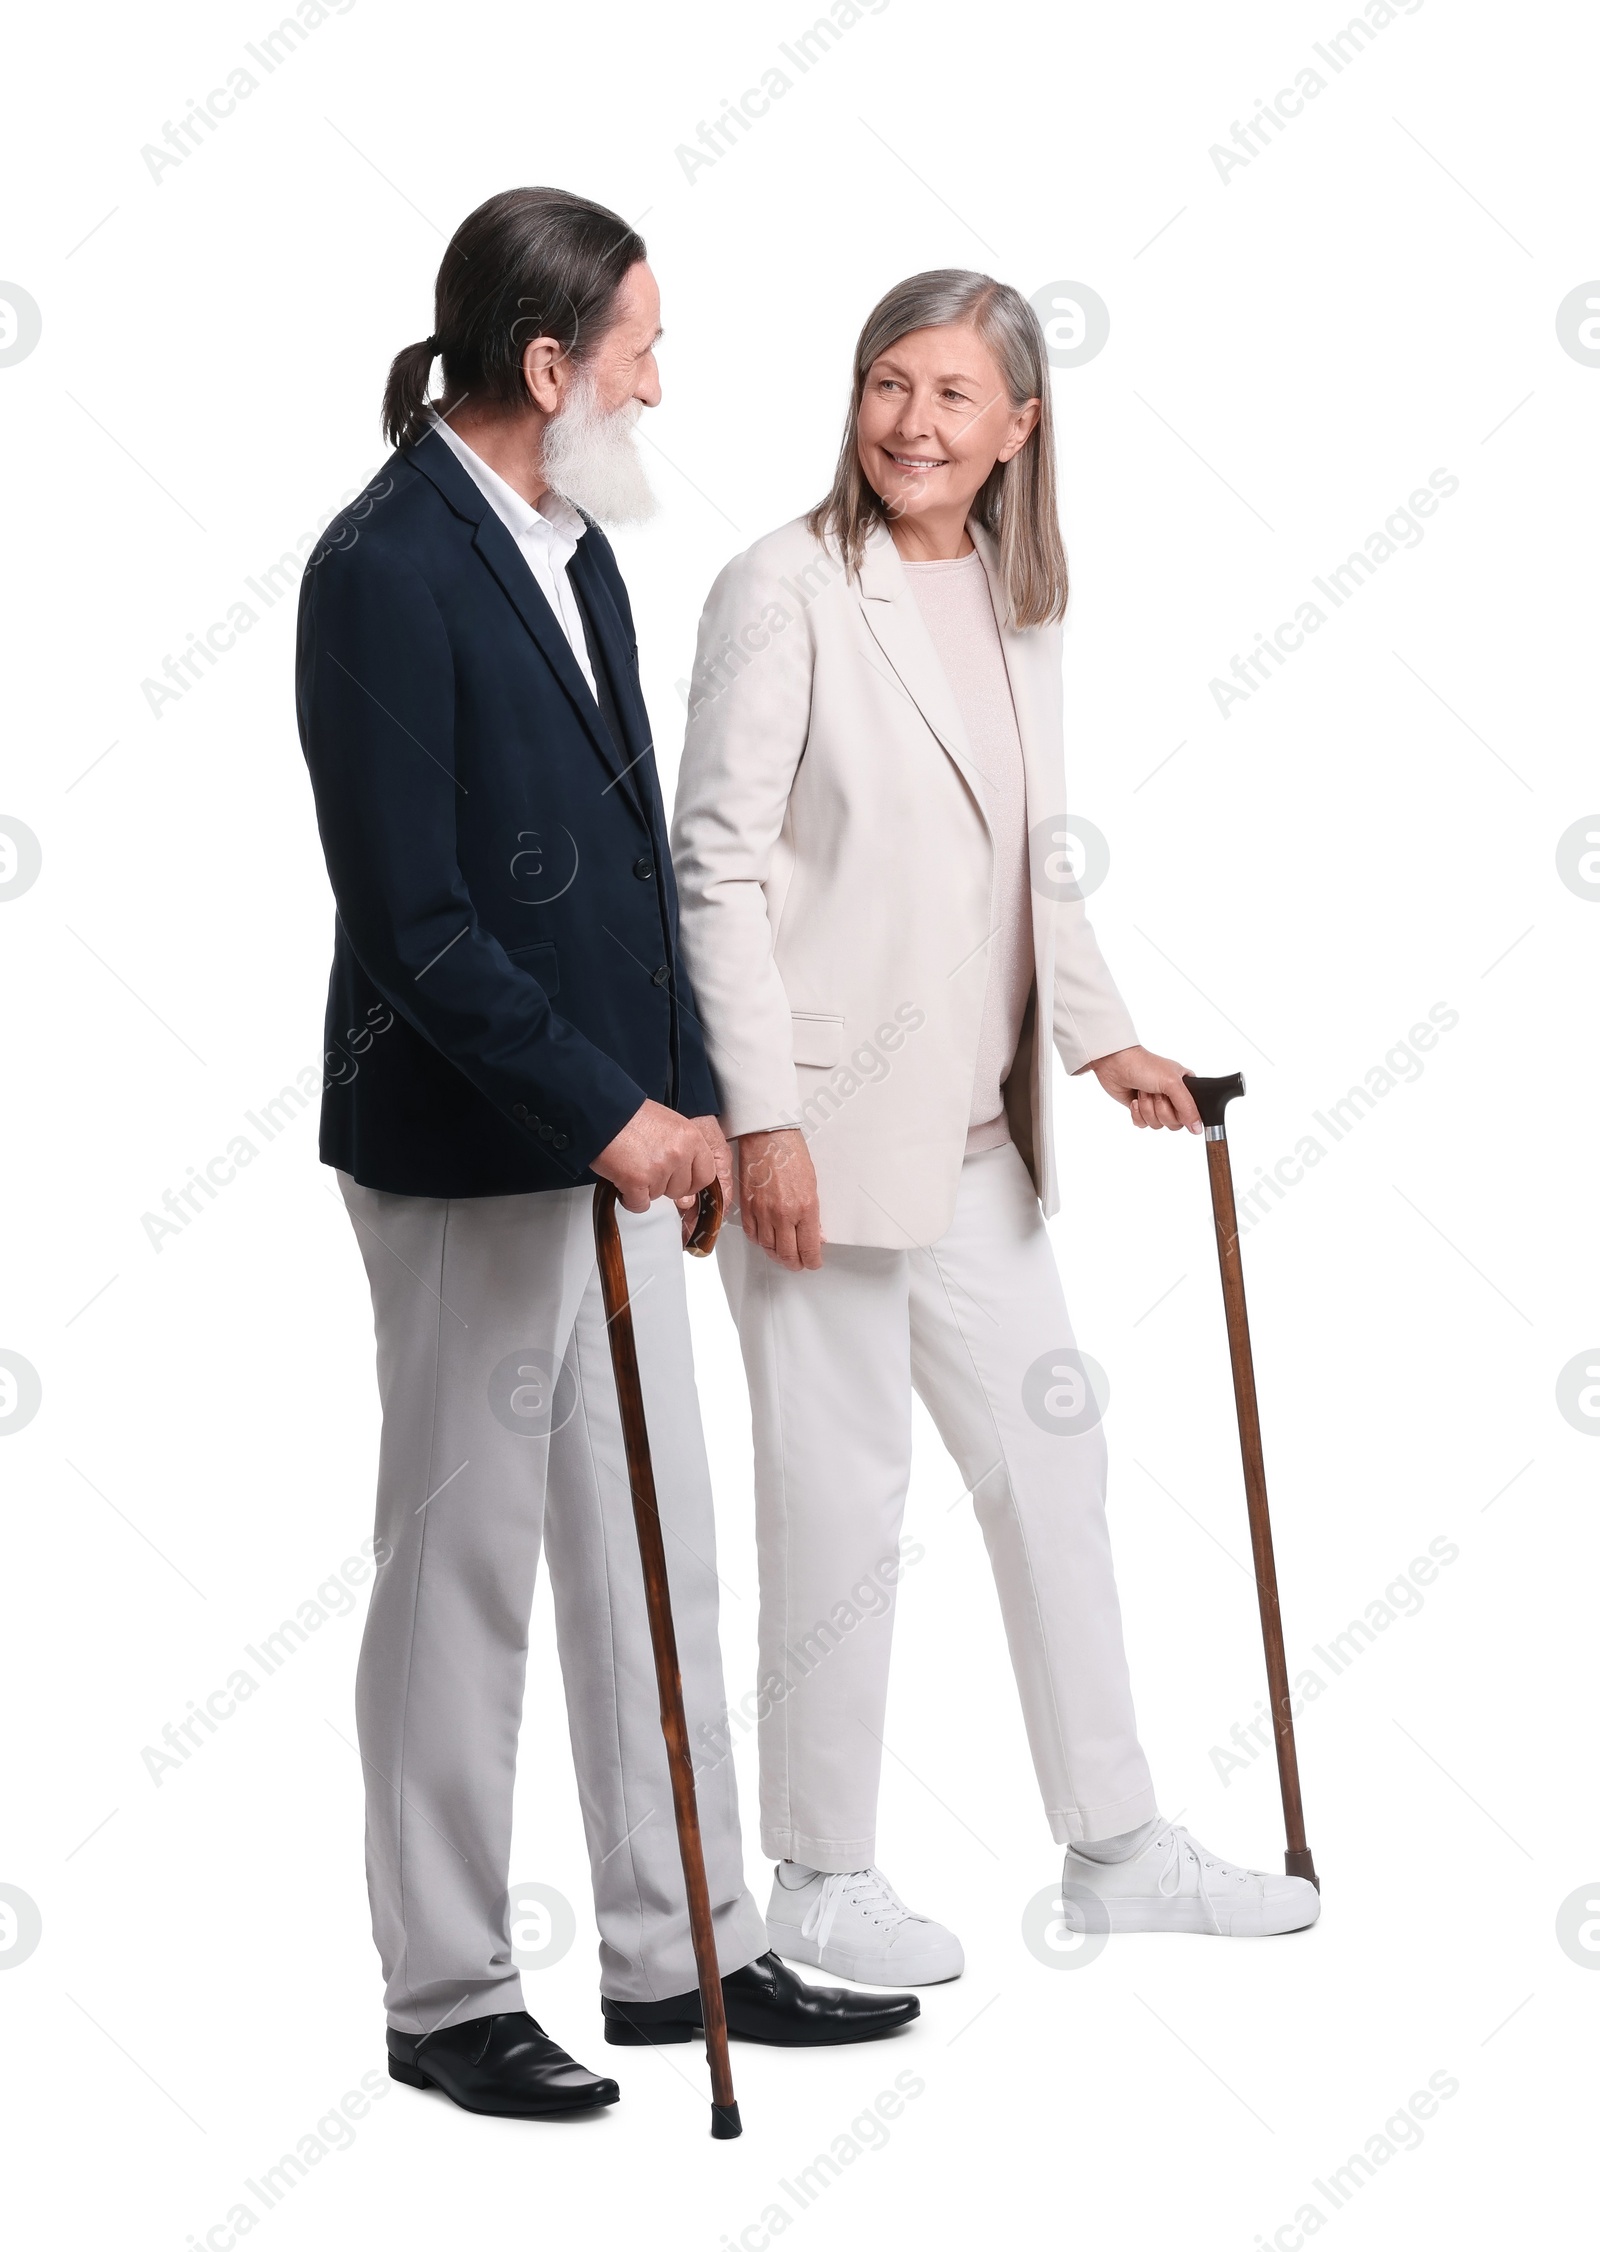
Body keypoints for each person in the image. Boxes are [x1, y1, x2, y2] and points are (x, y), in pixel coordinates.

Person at [295, 188, 917, 2120]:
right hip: (474, 1151)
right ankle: (447, 1992)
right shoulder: (383, 567)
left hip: (630, 1144)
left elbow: (636, 876)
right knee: (466, 1568)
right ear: (549, 367)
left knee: (659, 1566)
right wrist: (605, 1109)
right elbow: (417, 917)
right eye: (640, 347)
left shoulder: (579, 552)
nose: (662, 378)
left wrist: (694, 1102)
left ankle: (684, 1953)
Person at [670, 268, 1321, 1987]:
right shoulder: (784, 588)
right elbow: (713, 869)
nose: (913, 422)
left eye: (956, 396)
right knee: (838, 1507)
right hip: (814, 1141)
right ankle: (819, 1880)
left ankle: (1114, 1848)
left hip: (977, 1147)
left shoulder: (1022, 602)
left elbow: (1031, 855)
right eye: (892, 382)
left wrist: (1106, 1043)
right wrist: (764, 1125)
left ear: (1021, 428)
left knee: (1053, 1465)